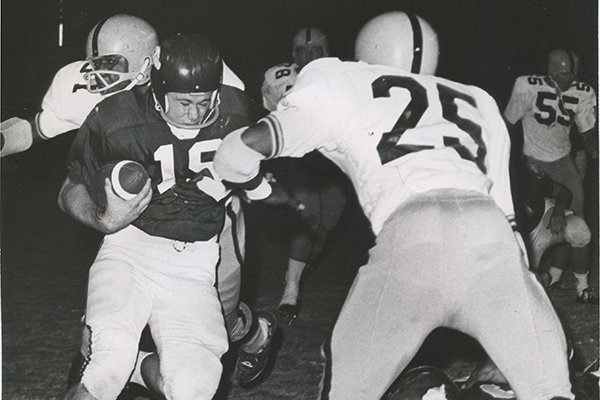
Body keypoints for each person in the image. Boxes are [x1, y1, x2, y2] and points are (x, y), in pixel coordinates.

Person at [214, 10, 576, 400]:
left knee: (347, 391)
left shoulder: (337, 78)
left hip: (412, 238)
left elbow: (234, 157)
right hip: (491, 238)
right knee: (552, 389)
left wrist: (266, 192)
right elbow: (509, 221)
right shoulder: (479, 100)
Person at [58, 33, 296, 400]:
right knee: (108, 366)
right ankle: (122, 365)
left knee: (195, 386)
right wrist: (99, 218)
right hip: (130, 248)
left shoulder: (234, 110)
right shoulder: (116, 116)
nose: (195, 114)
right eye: (184, 102)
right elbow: (70, 188)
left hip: (196, 260)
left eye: (204, 102)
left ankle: (138, 368)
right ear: (156, 90)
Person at [0, 14, 245, 157]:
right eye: (96, 63)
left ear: (149, 61)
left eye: (111, 62)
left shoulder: (186, 72)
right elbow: (37, 129)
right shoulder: (81, 92)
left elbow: (238, 118)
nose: (99, 73)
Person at [261, 26, 348, 321]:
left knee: (328, 223)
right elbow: (270, 121)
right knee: (309, 215)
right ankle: (291, 289)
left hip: (332, 157)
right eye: (303, 52)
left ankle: (297, 269)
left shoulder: (343, 76)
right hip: (299, 154)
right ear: (293, 54)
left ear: (327, 52)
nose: (309, 58)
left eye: (315, 52)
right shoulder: (283, 77)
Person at [504, 47, 597, 303]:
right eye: (563, 74)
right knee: (526, 224)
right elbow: (507, 125)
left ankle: (579, 284)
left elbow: (589, 135)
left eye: (572, 73)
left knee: (578, 224)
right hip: (533, 163)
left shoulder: (583, 92)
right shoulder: (526, 85)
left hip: (563, 162)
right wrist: (517, 162)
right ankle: (536, 277)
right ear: (550, 70)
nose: (568, 79)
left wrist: (595, 153)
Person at [516, 157, 594, 304]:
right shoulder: (494, 189)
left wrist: (558, 210)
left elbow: (563, 191)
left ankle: (582, 289)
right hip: (520, 238)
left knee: (579, 230)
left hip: (543, 218)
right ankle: (548, 278)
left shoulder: (526, 178)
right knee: (523, 290)